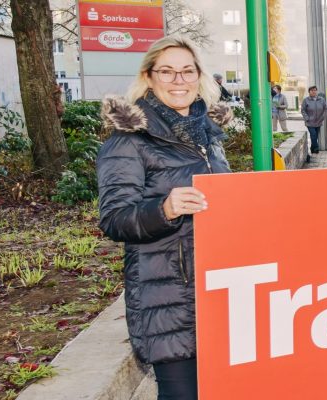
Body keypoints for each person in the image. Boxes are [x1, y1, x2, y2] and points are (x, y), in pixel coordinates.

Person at [95, 35, 232, 400]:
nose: (178, 80)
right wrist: (164, 209)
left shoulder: (209, 136)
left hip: (219, 288)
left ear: (200, 76)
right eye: (167, 71)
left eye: (187, 71)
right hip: (168, 294)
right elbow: (114, 218)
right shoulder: (129, 140)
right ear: (149, 76)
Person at [301, 85, 327, 154]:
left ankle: (312, 148)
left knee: (315, 135)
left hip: (318, 121)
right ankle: (316, 148)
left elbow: (325, 109)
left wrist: (322, 117)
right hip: (310, 122)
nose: (313, 92)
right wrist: (307, 118)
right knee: (313, 135)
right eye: (312, 90)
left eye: (315, 90)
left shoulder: (321, 99)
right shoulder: (306, 100)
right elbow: (303, 110)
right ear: (309, 92)